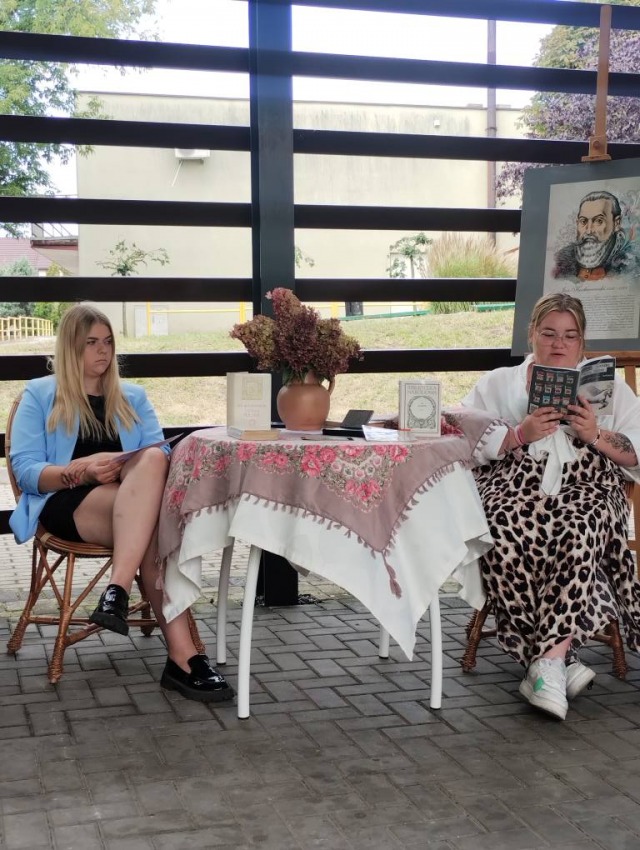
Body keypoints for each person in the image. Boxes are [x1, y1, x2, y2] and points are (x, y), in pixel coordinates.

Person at [9, 304, 233, 703]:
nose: (103, 351)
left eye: (109, 342)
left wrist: (116, 462)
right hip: (68, 502)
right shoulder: (40, 394)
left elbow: (159, 456)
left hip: (131, 504)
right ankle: (184, 658)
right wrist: (83, 472)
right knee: (156, 527)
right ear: (70, 347)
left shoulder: (132, 397)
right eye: (91, 342)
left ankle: (117, 590)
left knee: (153, 461)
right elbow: (25, 470)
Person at [462, 293, 640, 720]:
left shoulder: (610, 389)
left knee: (578, 527)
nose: (559, 344)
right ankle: (557, 662)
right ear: (532, 335)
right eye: (549, 334)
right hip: (514, 481)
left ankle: (546, 664)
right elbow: (463, 437)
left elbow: (635, 453)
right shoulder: (498, 383)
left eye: (570, 336)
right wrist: (518, 434)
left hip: (590, 483)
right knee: (500, 526)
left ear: (582, 341)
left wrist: (595, 434)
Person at [552, 190, 635, 281]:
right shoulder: (561, 263)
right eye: (583, 221)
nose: (589, 231)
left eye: (599, 221)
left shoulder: (630, 264)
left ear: (616, 223)